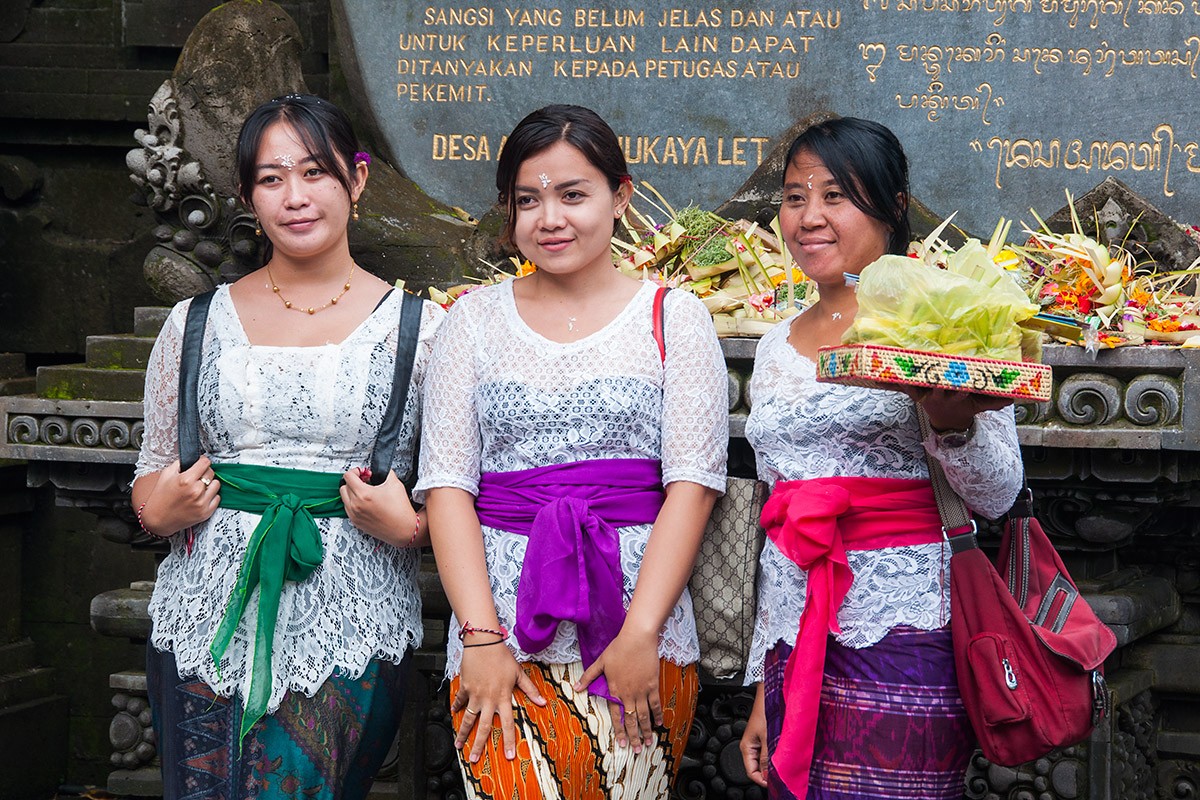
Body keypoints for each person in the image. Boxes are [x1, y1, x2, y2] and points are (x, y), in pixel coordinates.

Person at [132, 93, 443, 800]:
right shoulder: (194, 323)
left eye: (315, 173)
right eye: (271, 179)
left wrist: (413, 529)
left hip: (350, 614)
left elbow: (463, 491)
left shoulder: (422, 333)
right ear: (246, 194)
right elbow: (150, 476)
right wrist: (164, 509)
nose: (294, 197)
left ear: (356, 181)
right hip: (204, 613)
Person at [417, 104, 729, 798]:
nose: (549, 218)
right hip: (501, 643)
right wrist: (478, 638)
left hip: (633, 634)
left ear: (620, 197)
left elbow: (694, 484)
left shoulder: (673, 315)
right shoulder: (470, 319)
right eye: (528, 200)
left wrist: (643, 632)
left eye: (573, 194)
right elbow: (446, 486)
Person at [737, 117, 1024, 799]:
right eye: (794, 197)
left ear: (893, 206)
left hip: (906, 629)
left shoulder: (946, 317)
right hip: (795, 646)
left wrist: (951, 425)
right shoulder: (776, 344)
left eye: (835, 196)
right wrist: (761, 682)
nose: (809, 218)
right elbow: (779, 531)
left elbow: (998, 493)